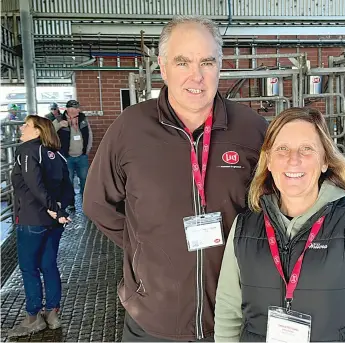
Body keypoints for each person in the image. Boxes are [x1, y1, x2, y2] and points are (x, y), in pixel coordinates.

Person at [83, 15, 268, 342]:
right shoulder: (131, 128)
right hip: (153, 322)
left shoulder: (251, 129)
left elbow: (275, 207)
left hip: (231, 320)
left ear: (220, 65)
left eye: (206, 62)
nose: (196, 76)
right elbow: (98, 203)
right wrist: (144, 248)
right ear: (163, 67)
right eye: (183, 62)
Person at [214, 107, 345, 342]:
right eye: (282, 149)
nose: (294, 159)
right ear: (269, 160)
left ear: (325, 160)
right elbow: (227, 312)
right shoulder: (244, 227)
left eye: (307, 149)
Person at [8, 115, 74, 338]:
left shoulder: (27, 151)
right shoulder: (58, 156)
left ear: (37, 132)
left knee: (29, 268)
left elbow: (33, 183)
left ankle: (33, 318)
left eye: (26, 125)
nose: (21, 128)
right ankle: (53, 314)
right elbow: (67, 187)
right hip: (55, 222)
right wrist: (62, 210)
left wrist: (50, 207)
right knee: (49, 265)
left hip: (32, 219)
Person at [57, 100, 93, 210]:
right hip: (67, 157)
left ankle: (86, 202)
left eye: (78, 108)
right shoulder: (59, 119)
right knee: (68, 180)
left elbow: (90, 134)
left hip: (82, 156)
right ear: (68, 109)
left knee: (85, 179)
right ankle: (70, 202)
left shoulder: (83, 119)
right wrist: (59, 125)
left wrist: (87, 150)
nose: (78, 110)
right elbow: (49, 132)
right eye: (76, 108)